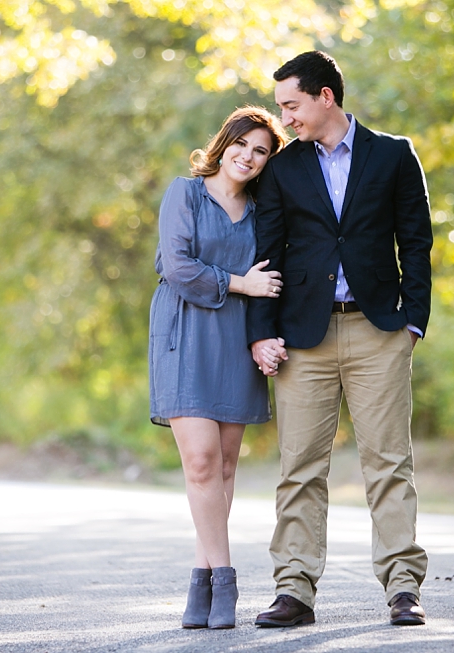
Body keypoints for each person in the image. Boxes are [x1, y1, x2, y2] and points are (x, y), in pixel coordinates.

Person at [246, 51, 434, 627]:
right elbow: (265, 253)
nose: (285, 119)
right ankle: (294, 589)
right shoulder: (282, 167)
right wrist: (262, 334)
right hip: (303, 336)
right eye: (281, 108)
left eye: (291, 105)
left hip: (379, 331)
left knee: (389, 462)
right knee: (299, 465)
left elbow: (417, 243)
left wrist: (413, 321)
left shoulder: (395, 155)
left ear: (325, 96)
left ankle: (403, 586)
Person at [148, 107, 289, 629]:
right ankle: (226, 578)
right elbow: (178, 266)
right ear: (224, 142)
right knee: (202, 462)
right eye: (243, 145)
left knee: (226, 466)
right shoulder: (184, 194)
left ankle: (200, 583)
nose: (249, 157)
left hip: (234, 340)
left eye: (261, 152)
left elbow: (274, 275)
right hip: (184, 335)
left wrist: (264, 326)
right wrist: (239, 283)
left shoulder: (258, 212)